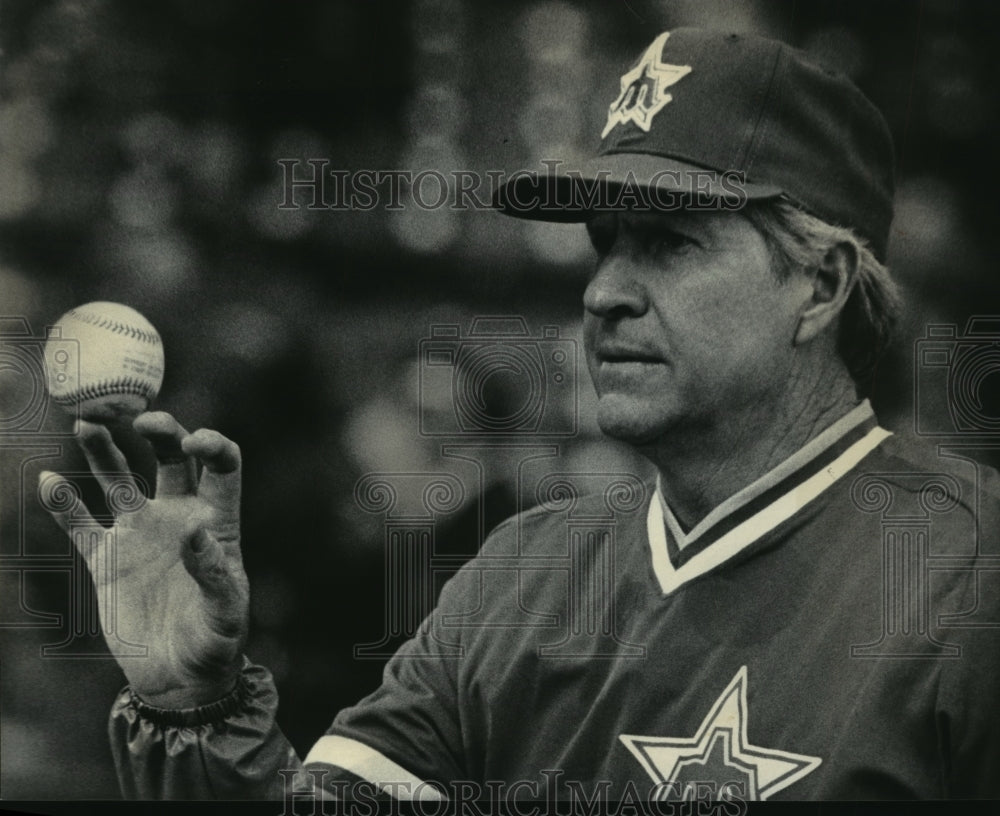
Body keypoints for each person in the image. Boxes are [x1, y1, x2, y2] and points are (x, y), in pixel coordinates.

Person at [43, 27, 1000, 803]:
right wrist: (198, 712)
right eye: (605, 244)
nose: (604, 293)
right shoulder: (520, 573)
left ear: (821, 285)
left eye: (669, 243)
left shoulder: (972, 574)